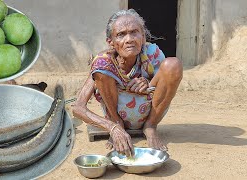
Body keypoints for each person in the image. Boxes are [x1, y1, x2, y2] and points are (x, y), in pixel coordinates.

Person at [72, 9, 183, 156]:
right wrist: (112, 127)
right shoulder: (103, 63)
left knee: (173, 64)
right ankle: (118, 123)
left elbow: (163, 83)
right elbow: (78, 108)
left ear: (143, 36)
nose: (129, 39)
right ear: (111, 42)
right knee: (101, 65)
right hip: (116, 118)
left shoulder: (152, 53)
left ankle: (150, 127)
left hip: (151, 113)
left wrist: (148, 82)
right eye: (121, 34)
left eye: (134, 32)